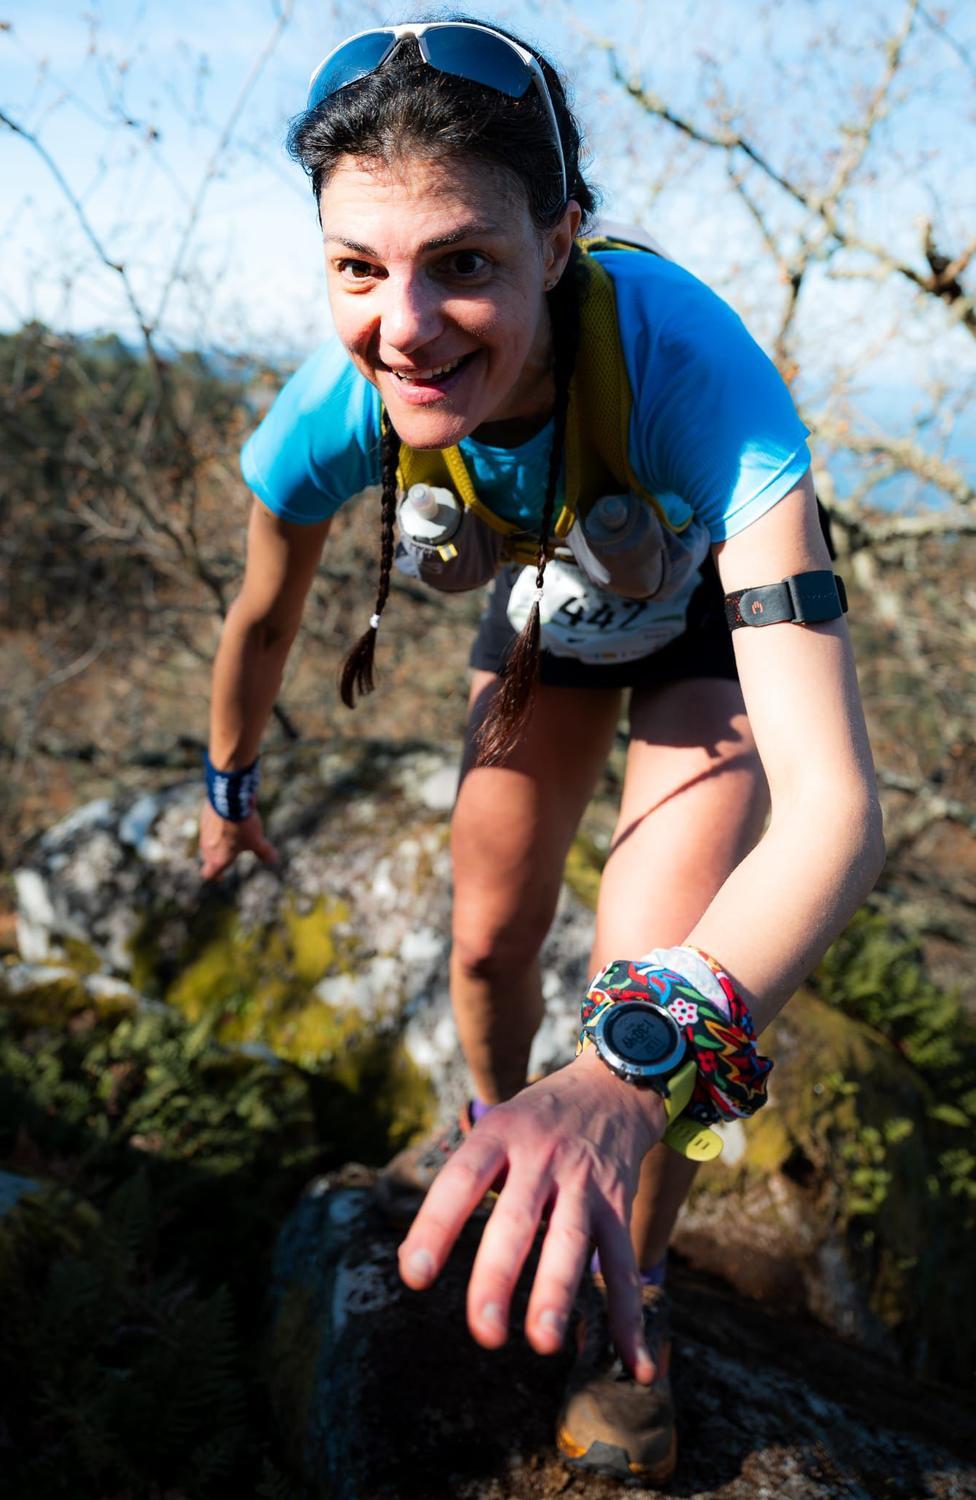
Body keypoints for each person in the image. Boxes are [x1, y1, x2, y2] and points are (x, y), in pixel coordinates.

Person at [199, 17, 884, 1485]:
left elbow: (833, 808)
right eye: (357, 268)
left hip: (696, 632)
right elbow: (264, 616)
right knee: (485, 943)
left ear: (559, 238)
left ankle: (629, 1328)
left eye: (463, 261)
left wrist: (624, 1078)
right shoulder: (337, 414)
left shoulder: (692, 374)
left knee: (638, 1002)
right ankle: (495, 1135)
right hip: (544, 622)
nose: (407, 326)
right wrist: (228, 781)